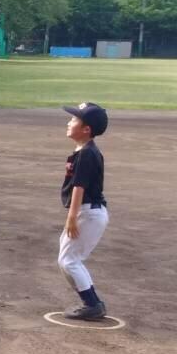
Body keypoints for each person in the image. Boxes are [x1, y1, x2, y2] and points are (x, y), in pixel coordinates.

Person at [57, 102, 110, 321]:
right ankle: (92, 301)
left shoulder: (87, 154)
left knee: (70, 261)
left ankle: (92, 304)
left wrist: (72, 218)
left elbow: (80, 187)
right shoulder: (84, 151)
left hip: (88, 213)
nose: (69, 122)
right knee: (68, 259)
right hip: (88, 212)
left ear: (86, 129)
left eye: (74, 119)